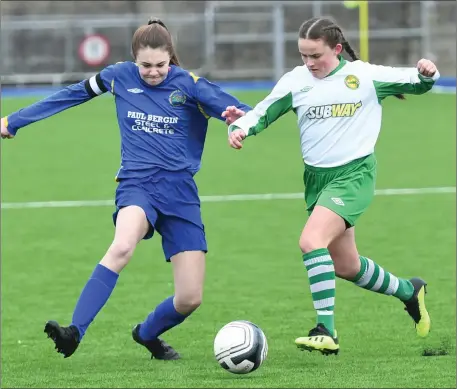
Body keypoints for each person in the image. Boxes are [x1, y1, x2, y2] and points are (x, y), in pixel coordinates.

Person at [1, 18, 251, 360]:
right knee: (122, 246)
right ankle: (74, 331)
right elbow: (70, 96)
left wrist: (240, 123)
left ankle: (147, 334)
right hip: (137, 184)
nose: (152, 72)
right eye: (145, 65)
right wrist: (13, 121)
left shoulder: (191, 85)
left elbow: (246, 113)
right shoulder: (118, 76)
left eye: (160, 65)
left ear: (170, 58)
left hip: (180, 194)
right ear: (134, 59)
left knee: (190, 297)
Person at [223, 17, 438, 355]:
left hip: (354, 175)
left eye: (316, 56)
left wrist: (427, 72)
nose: (309, 63)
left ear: (336, 50)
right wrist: (241, 129)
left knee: (311, 241)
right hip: (317, 180)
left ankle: (327, 330)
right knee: (346, 266)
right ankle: (409, 292)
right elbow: (263, 111)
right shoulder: (297, 81)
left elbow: (417, 81)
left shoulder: (363, 76)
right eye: (303, 56)